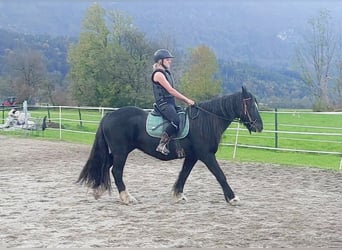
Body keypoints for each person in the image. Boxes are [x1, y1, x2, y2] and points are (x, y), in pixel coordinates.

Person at [151, 49, 195, 155]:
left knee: (183, 116)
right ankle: (161, 144)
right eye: (167, 59)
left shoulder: (166, 73)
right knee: (175, 120)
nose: (170, 61)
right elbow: (170, 90)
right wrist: (186, 100)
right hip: (163, 103)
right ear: (160, 61)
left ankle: (179, 146)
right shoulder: (158, 74)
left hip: (171, 102)